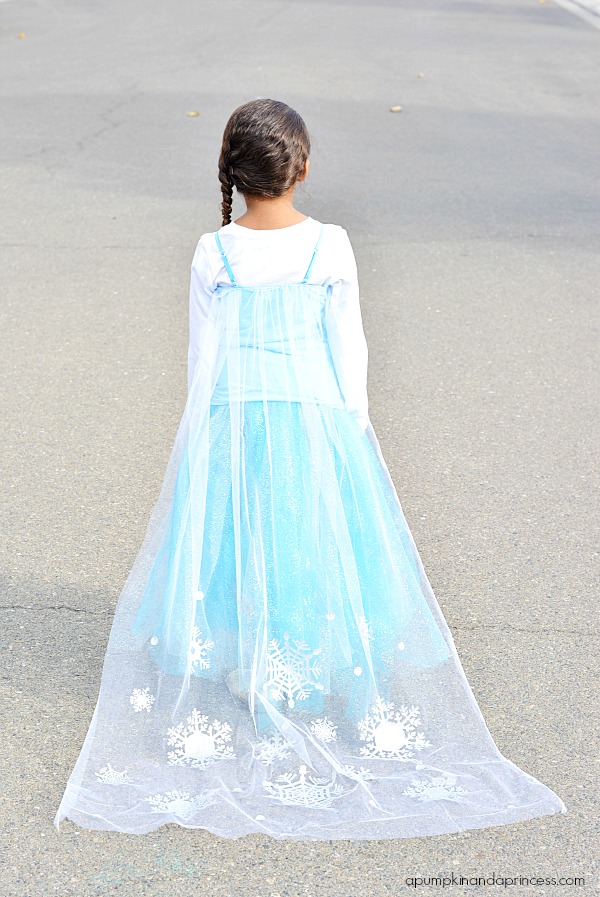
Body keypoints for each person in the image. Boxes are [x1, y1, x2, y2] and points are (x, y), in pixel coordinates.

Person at [54, 98, 565, 839]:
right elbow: (348, 346)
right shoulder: (329, 245)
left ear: (234, 171)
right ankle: (311, 673)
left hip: (235, 415)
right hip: (313, 416)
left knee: (244, 543)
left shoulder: (214, 250)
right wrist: (352, 423)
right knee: (313, 545)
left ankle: (255, 666)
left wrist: (199, 431)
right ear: (301, 167)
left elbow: (204, 356)